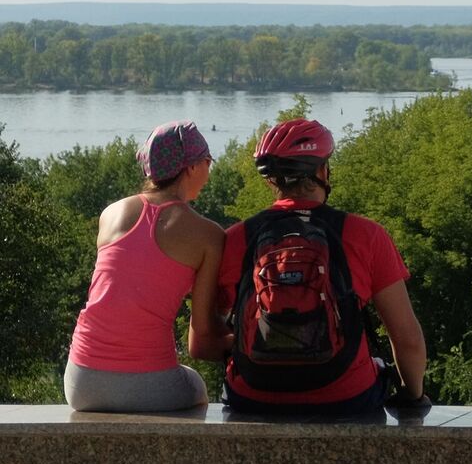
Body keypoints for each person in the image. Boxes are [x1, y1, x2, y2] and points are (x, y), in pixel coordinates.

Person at [216, 118, 429, 416]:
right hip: (347, 397)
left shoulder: (236, 239)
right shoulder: (366, 235)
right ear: (321, 171)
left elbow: (204, 340)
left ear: (271, 180)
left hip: (252, 396)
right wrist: (413, 397)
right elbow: (407, 338)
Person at [65, 120, 224, 412]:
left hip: (80, 381)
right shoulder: (208, 236)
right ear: (191, 167)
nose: (209, 170)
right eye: (207, 161)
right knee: (196, 385)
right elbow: (201, 334)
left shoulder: (111, 213)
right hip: (149, 383)